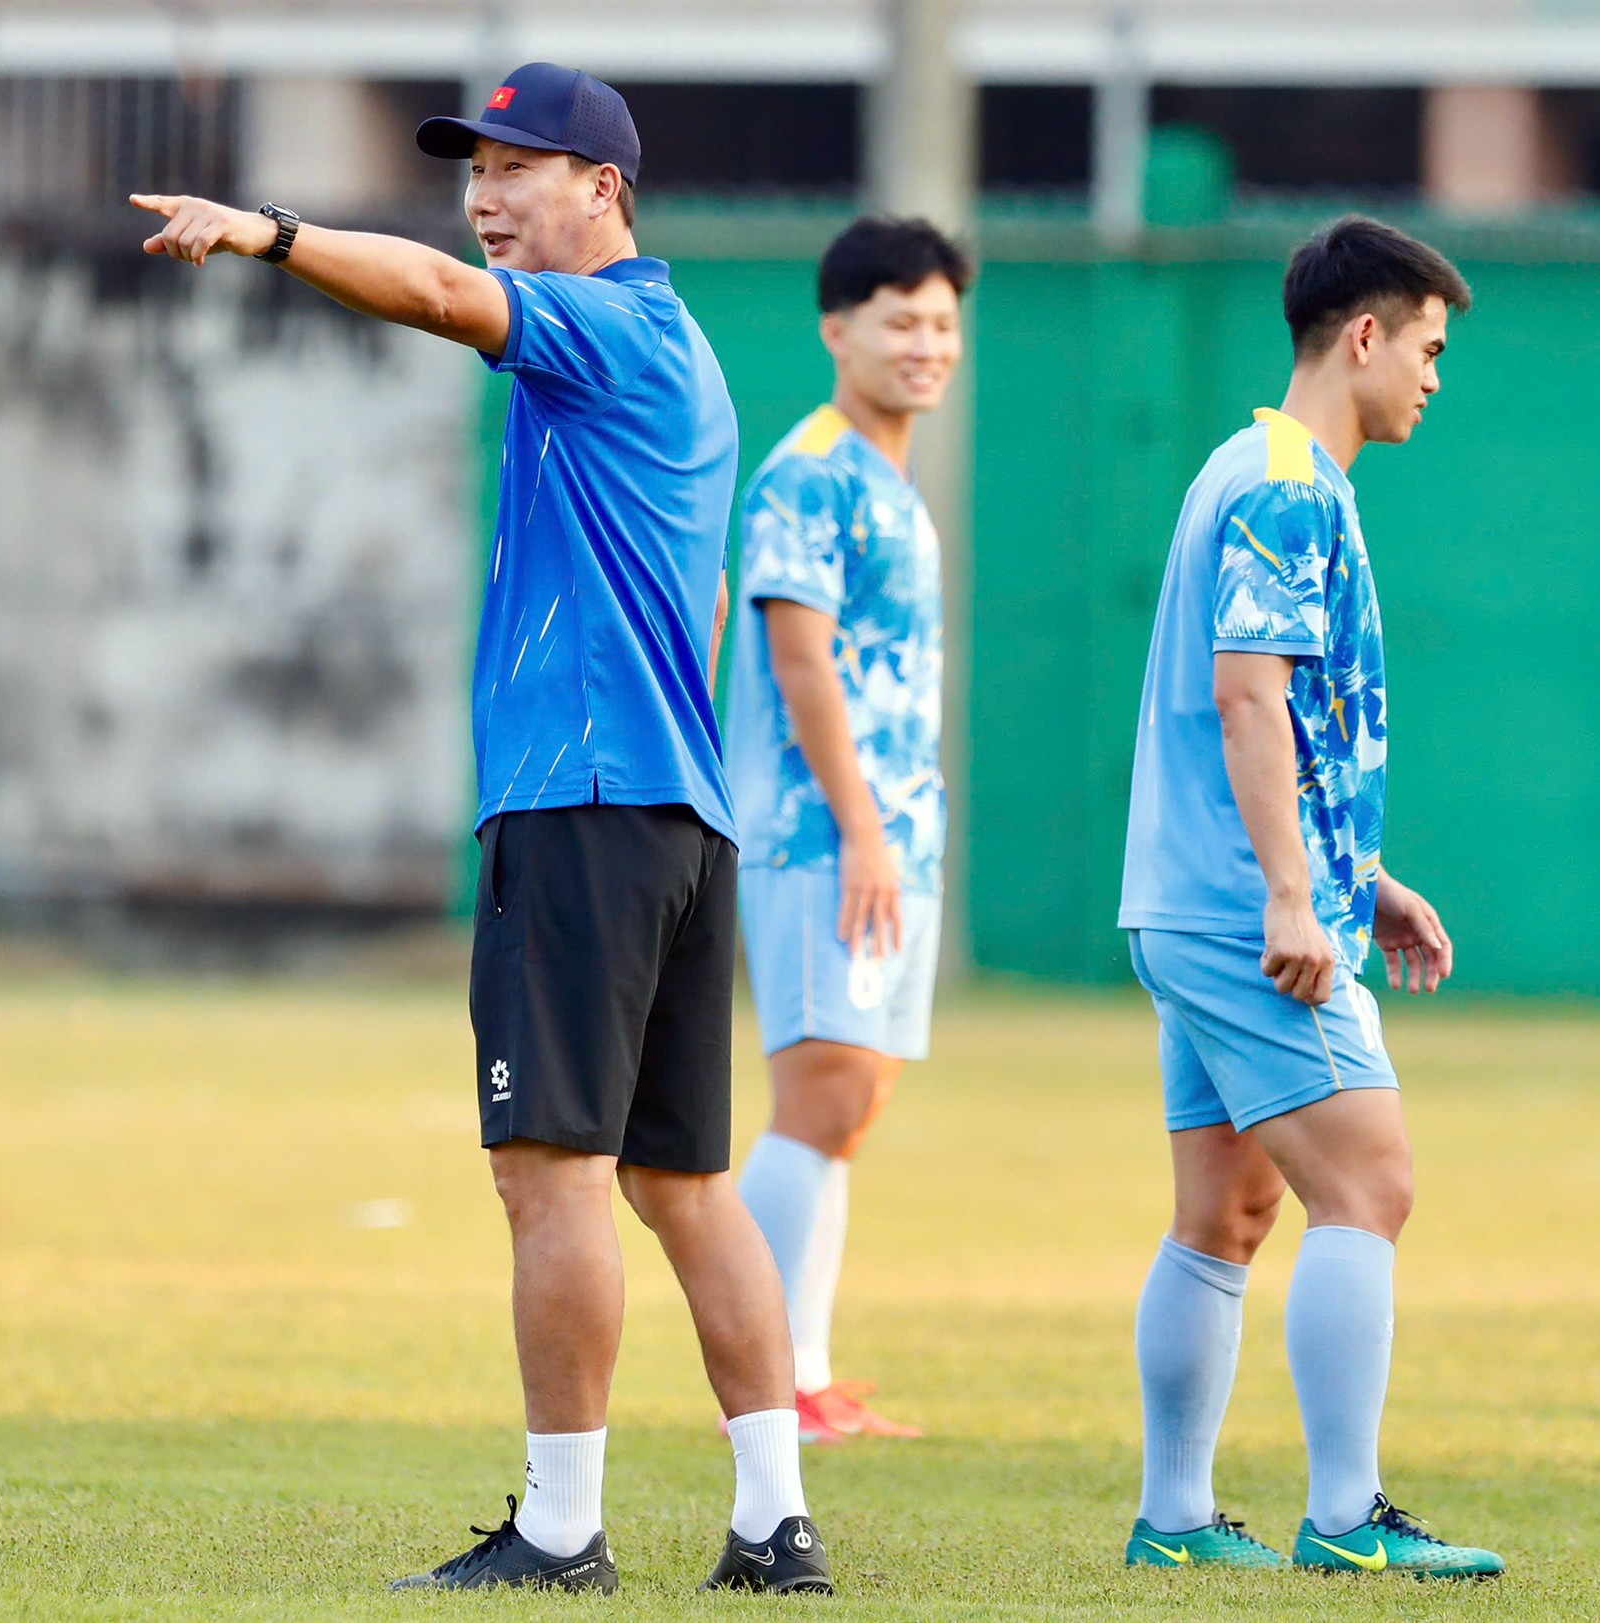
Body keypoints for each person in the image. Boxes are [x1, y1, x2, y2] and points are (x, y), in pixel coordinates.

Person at [131, 61, 831, 1596]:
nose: (486, 194)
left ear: (608, 191)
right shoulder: (687, 356)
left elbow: (446, 296)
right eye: (474, 167)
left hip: (582, 805)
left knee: (552, 1174)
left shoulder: (603, 328)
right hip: (675, 809)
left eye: (521, 165)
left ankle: (566, 1529)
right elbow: (697, 601)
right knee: (684, 1185)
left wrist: (269, 233)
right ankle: (773, 1519)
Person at [1117, 214, 1504, 1577]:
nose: (1434, 378)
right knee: (1374, 1186)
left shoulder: (1250, 464)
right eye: (1428, 347)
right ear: (1363, 336)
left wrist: (1363, 876)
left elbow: (1274, 711)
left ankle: (1174, 1519)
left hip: (1197, 899)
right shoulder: (1291, 482)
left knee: (1225, 1210)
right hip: (1245, 913)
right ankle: (1347, 1518)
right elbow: (1247, 691)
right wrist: (1294, 894)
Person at [725, 217, 970, 1445]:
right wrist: (863, 832)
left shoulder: (885, 478)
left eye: (940, 323)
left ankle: (803, 1375)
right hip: (818, 836)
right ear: (836, 330)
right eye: (897, 320)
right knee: (816, 1096)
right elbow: (797, 655)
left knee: (848, 1105)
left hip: (883, 836)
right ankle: (769, 1382)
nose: (924, 345)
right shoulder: (809, 469)